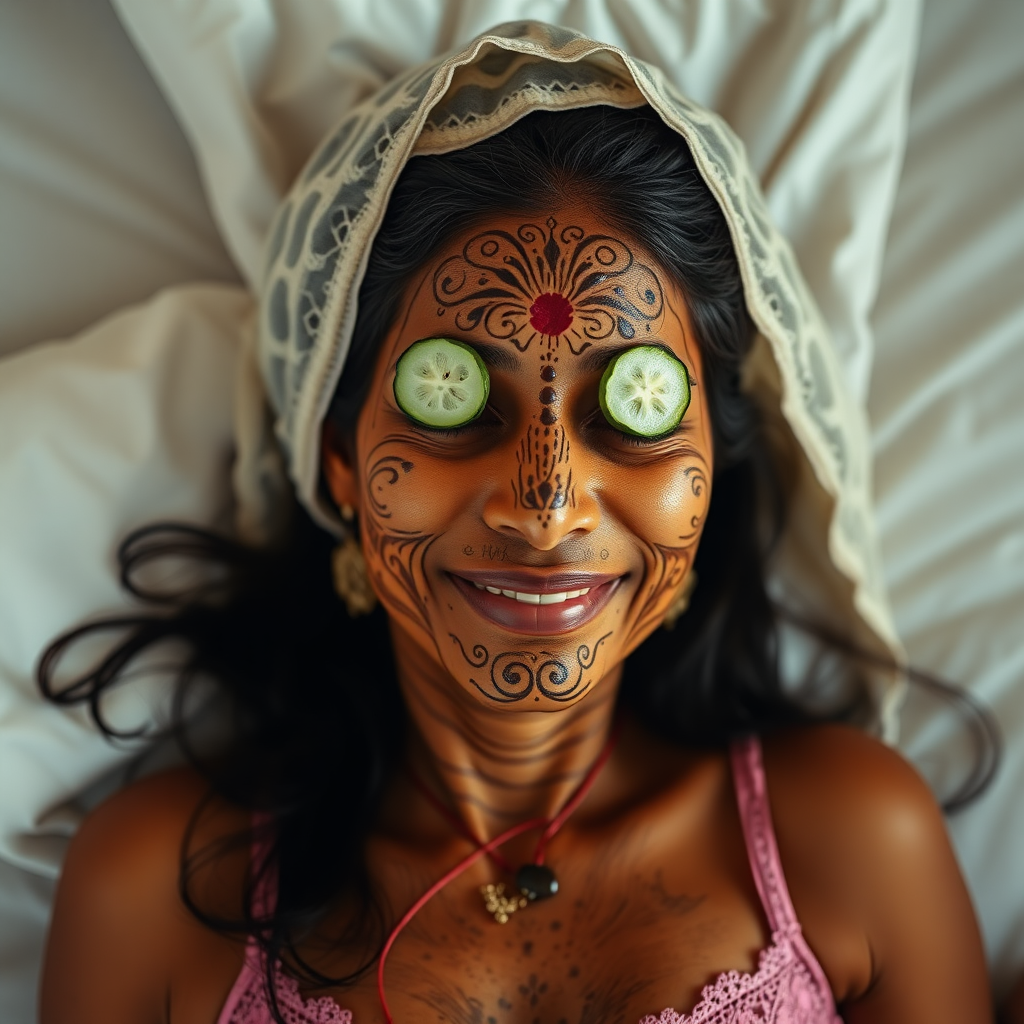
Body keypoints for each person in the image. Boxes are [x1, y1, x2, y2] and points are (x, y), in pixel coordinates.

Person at [38, 23, 992, 1024]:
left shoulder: (850, 840)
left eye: (629, 415)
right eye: (457, 406)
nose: (543, 507)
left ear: (711, 463)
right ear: (340, 460)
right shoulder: (155, 894)